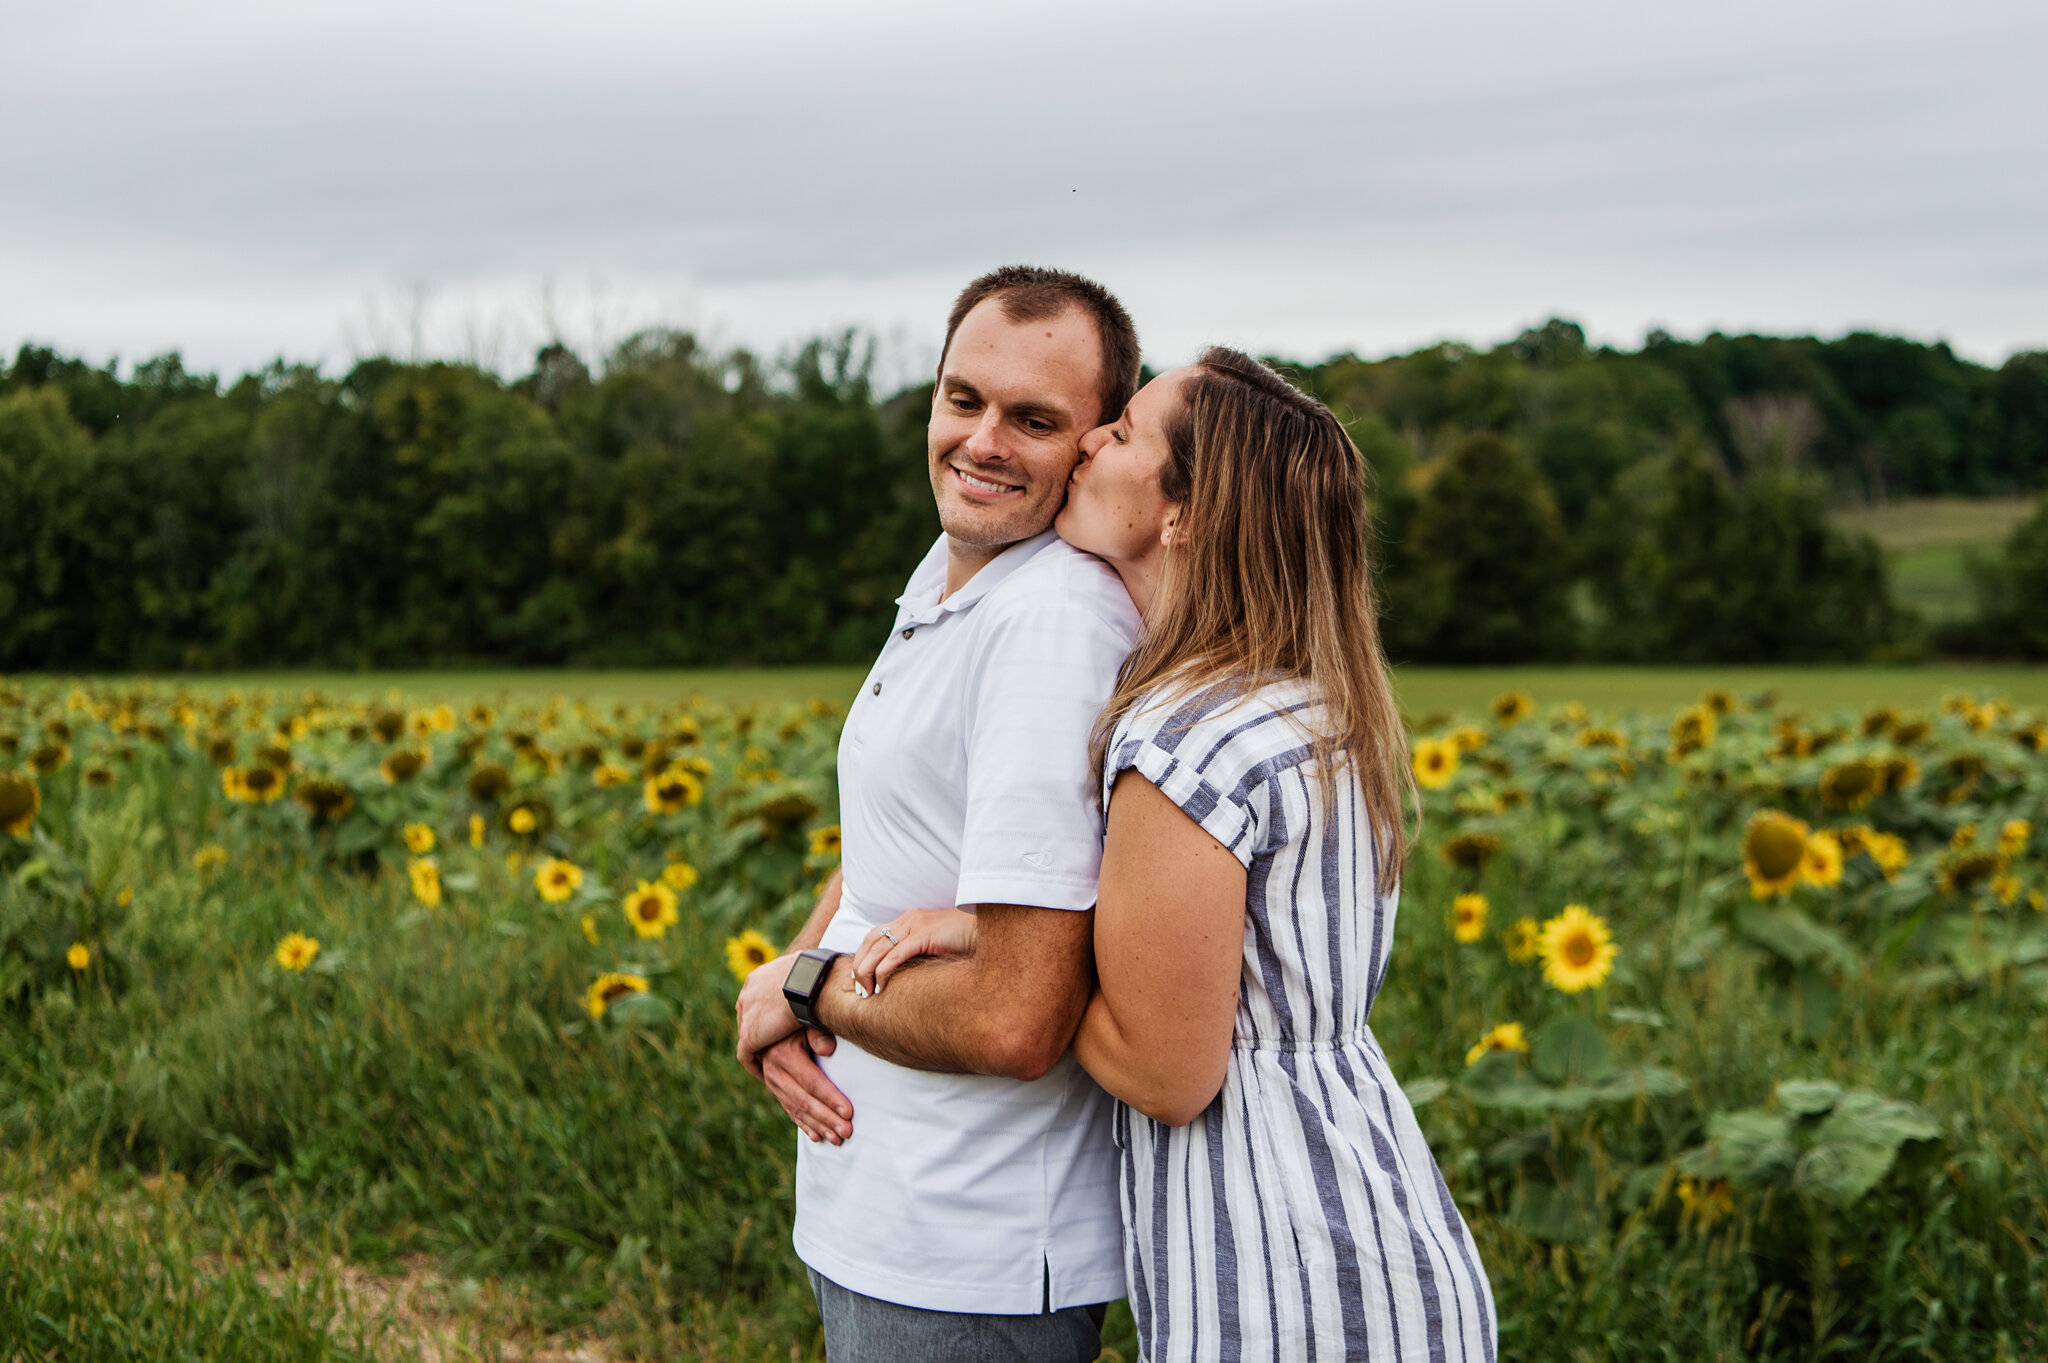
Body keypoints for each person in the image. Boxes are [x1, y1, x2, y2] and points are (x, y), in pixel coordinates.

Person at [852, 349, 1498, 1360]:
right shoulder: (1301, 705)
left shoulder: (1176, 743)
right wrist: (989, 923)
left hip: (1271, 1262)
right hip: (1377, 1217)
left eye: (1125, 431)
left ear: (1183, 513)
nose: (1091, 441)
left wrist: (1018, 973)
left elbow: (1165, 1071)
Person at [734, 265, 1144, 1362]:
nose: (983, 441)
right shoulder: (957, 571)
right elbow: (890, 844)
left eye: (1034, 418)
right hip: (885, 1198)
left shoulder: (1049, 624)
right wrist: (792, 985)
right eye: (963, 399)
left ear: (1095, 441)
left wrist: (803, 982)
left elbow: (1016, 1016)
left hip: (975, 1236)